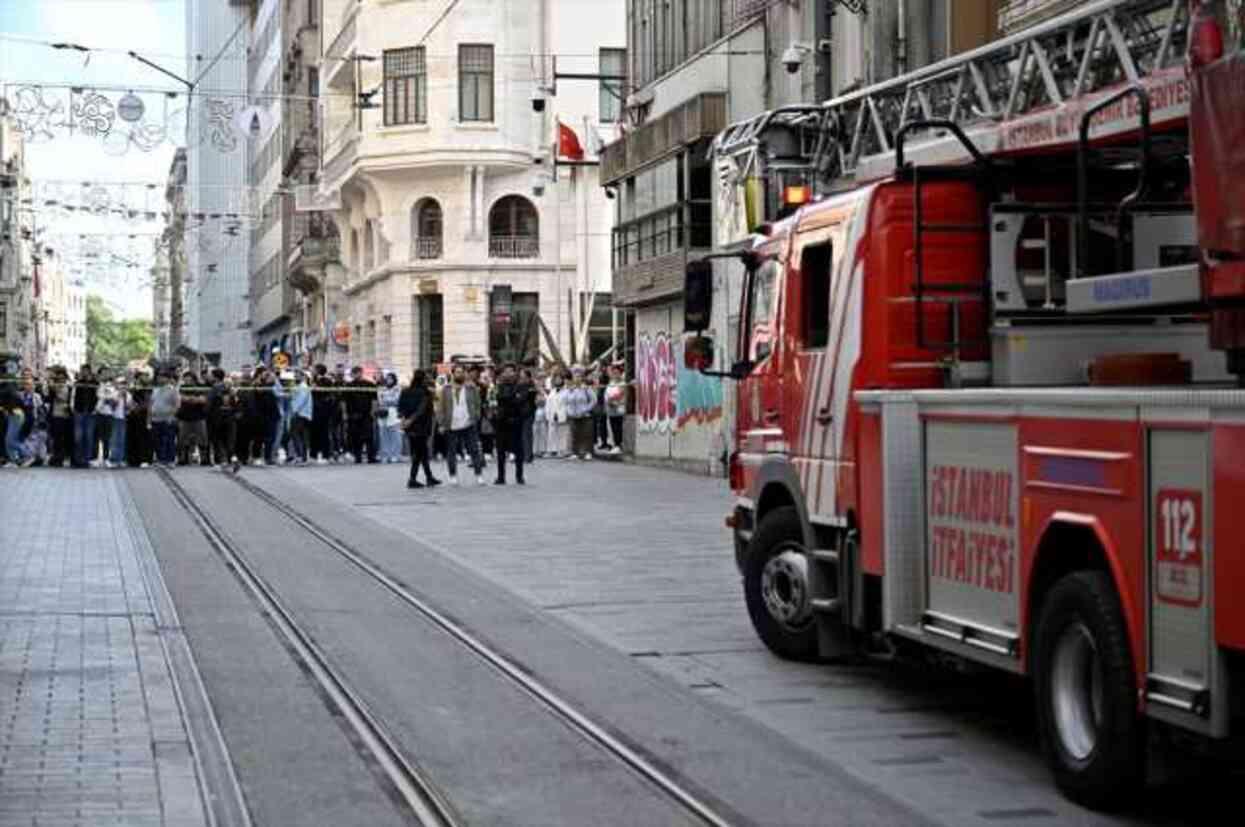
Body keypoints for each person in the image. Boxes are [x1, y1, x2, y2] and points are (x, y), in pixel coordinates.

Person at [436, 365, 486, 486]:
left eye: (461, 372)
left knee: (474, 450)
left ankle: (479, 474)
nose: (460, 374)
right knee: (451, 451)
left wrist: (475, 416)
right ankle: (453, 475)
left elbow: (477, 404)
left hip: (468, 423)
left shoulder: (471, 388)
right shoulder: (446, 389)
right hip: (451, 424)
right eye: (457, 372)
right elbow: (440, 408)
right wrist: (441, 423)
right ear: (453, 374)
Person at [491, 363, 533, 485]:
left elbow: (521, 400)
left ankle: (519, 476)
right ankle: (501, 476)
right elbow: (497, 399)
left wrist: (510, 399)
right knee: (500, 451)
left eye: (511, 371)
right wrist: (511, 398)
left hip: (515, 421)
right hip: (501, 422)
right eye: (506, 371)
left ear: (515, 373)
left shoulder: (521, 386)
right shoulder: (498, 386)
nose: (508, 373)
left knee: (518, 451)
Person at [398, 369, 440, 488]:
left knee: (420, 452)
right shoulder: (425, 392)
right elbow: (422, 409)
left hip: (409, 426)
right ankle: (413, 479)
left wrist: (404, 420)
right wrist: (411, 419)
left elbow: (400, 408)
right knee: (420, 453)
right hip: (422, 425)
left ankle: (428, 477)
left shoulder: (405, 391)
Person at [344, 366, 378, 463]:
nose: (355, 375)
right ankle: (357, 457)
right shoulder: (348, 386)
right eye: (354, 373)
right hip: (353, 414)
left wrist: (373, 411)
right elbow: (344, 401)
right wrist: (345, 413)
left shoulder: (370, 384)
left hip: (366, 414)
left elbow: (374, 400)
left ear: (361, 373)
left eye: (357, 373)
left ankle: (371, 457)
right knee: (355, 437)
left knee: (369, 437)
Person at [563, 367, 597, 460]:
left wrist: (586, 409)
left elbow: (594, 400)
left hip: (585, 415)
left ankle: (588, 452)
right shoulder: (570, 389)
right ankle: (575, 452)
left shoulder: (586, 388)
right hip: (573, 415)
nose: (577, 378)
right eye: (575, 376)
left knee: (586, 434)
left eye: (579, 376)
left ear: (582, 378)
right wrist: (568, 411)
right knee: (575, 434)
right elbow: (565, 401)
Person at [177, 371, 210, 466]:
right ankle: (183, 458)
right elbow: (181, 398)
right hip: (185, 417)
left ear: (193, 379)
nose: (187, 381)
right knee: (182, 439)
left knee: (203, 439)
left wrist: (191, 399)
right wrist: (193, 399)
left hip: (199, 417)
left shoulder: (201, 387)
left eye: (189, 379)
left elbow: (203, 399)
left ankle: (204, 458)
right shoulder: (183, 387)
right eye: (185, 379)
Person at [149, 371, 181, 468]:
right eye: (159, 377)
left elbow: (177, 405)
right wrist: (149, 418)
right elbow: (151, 403)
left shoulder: (173, 390)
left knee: (169, 440)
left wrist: (171, 416)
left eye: (162, 377)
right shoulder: (155, 390)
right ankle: (160, 459)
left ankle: (170, 460)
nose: (160, 379)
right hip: (155, 419)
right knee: (157, 441)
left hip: (168, 419)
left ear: (167, 379)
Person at [71, 364, 97, 468]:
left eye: (86, 371)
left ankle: (86, 460)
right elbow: (73, 396)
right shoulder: (78, 383)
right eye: (83, 371)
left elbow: (98, 396)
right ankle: (78, 459)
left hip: (90, 412)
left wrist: (95, 409)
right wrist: (73, 409)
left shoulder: (95, 383)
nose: (85, 373)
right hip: (79, 412)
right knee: (78, 437)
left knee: (88, 437)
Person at [47, 367, 72, 468]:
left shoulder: (69, 387)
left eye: (63, 377)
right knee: (56, 437)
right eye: (59, 378)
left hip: (66, 415)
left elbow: (70, 399)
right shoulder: (54, 386)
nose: (61, 380)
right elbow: (49, 395)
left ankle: (63, 457)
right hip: (56, 414)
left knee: (64, 438)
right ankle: (56, 458)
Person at [106, 375, 131, 468]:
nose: (123, 386)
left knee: (122, 439)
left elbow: (129, 408)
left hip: (123, 419)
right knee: (114, 439)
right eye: (121, 384)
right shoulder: (114, 393)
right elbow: (112, 405)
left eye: (124, 384)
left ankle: (120, 459)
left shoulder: (128, 395)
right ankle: (113, 459)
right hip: (114, 418)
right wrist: (119, 396)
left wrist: (127, 402)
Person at [377, 372, 403, 463]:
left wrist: (386, 399)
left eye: (390, 378)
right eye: (387, 378)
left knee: (395, 435)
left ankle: (395, 455)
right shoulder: (381, 389)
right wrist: (387, 399)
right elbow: (380, 400)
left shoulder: (398, 388)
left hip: (393, 413)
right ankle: (385, 455)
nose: (388, 380)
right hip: (383, 413)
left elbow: (396, 400)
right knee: (383, 435)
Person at [288, 370, 313, 464]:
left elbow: (300, 401)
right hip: (299, 414)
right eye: (295, 376)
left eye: (298, 376)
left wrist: (294, 411)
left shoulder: (303, 387)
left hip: (300, 414)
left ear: (303, 377)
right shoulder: (297, 386)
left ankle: (301, 457)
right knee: (299, 436)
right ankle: (301, 456)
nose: (296, 378)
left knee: (297, 435)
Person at [92, 367, 115, 467]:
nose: (106, 375)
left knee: (107, 437)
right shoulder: (96, 385)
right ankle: (95, 458)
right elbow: (98, 396)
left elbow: (113, 398)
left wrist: (107, 398)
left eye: (107, 373)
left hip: (109, 414)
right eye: (104, 373)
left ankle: (106, 458)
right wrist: (105, 398)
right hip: (97, 413)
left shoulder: (112, 386)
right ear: (99, 375)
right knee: (96, 437)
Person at [545, 370, 568, 458]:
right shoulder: (552, 391)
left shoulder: (566, 391)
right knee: (552, 432)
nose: (557, 381)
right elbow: (548, 403)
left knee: (562, 433)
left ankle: (561, 450)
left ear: (562, 380)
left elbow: (566, 403)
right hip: (552, 414)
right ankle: (551, 450)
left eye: (559, 379)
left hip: (562, 414)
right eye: (556, 379)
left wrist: (563, 414)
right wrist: (548, 414)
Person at [605, 364, 627, 455]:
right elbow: (607, 394)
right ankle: (614, 444)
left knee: (618, 427)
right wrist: (608, 401)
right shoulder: (611, 383)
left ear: (620, 374)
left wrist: (613, 401)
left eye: (617, 373)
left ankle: (618, 445)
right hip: (610, 408)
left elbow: (621, 394)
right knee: (612, 427)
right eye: (613, 373)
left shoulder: (622, 383)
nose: (615, 375)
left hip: (619, 408)